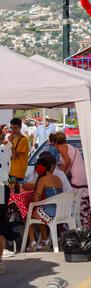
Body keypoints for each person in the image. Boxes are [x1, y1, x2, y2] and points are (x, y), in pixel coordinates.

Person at [26, 156, 63, 252]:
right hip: (61, 211)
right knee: (37, 212)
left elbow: (36, 198)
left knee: (29, 214)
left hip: (51, 212)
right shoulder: (57, 178)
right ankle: (45, 240)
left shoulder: (43, 180)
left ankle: (33, 242)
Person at [54, 132, 90, 228]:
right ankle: (83, 227)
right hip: (82, 176)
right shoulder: (70, 147)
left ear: (56, 143)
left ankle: (75, 228)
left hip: (77, 178)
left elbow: (68, 160)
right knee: (81, 204)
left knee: (74, 204)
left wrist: (63, 173)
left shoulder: (62, 147)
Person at [0, 134, 18, 273]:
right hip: (2, 187)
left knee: (1, 223)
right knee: (1, 223)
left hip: (1, 187)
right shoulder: (5, 149)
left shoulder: (5, 149)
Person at [8, 117, 30, 185]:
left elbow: (15, 156)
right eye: (11, 128)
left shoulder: (24, 139)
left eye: (15, 128)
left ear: (20, 127)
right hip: (12, 171)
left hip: (18, 172)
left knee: (15, 192)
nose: (13, 130)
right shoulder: (14, 138)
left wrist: (11, 142)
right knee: (11, 192)